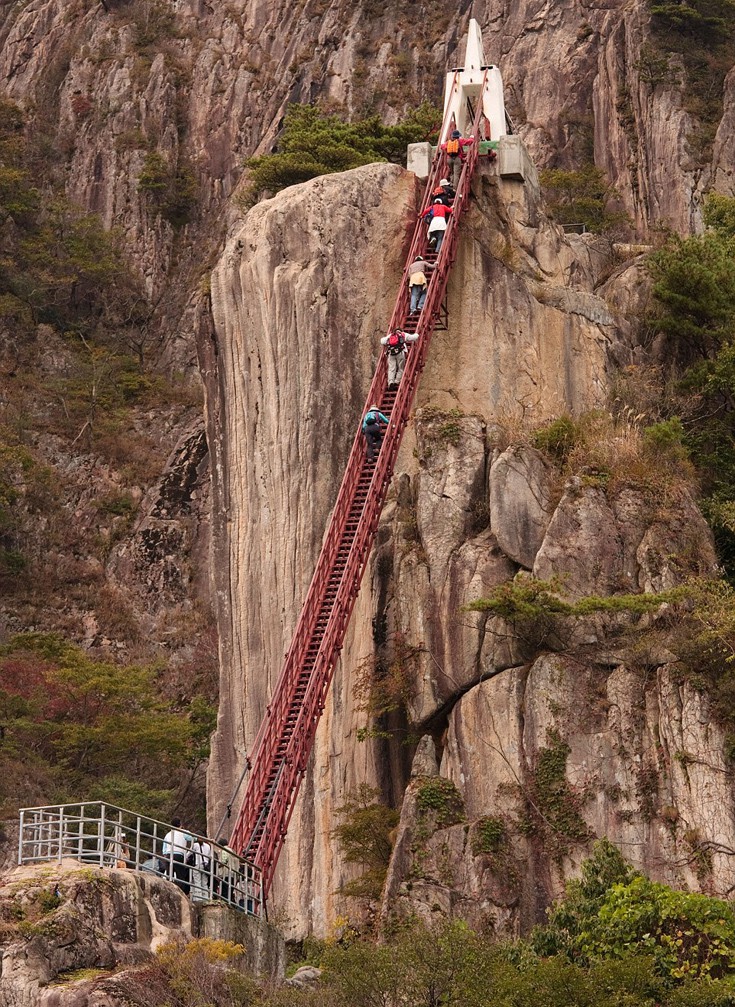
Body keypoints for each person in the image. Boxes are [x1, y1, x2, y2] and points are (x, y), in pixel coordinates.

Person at [161, 817, 192, 895]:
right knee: (180, 876)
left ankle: (168, 892)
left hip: (168, 855)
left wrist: (165, 856)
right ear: (180, 824)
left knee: (169, 875)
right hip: (178, 855)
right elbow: (193, 838)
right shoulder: (184, 833)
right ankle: (181, 894)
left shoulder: (168, 834)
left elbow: (164, 849)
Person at [188, 835, 215, 903]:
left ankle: (198, 898)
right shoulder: (208, 846)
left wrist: (185, 859)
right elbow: (210, 856)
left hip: (197, 865)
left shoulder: (195, 845)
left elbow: (189, 853)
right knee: (204, 883)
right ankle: (205, 898)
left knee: (197, 881)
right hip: (205, 866)